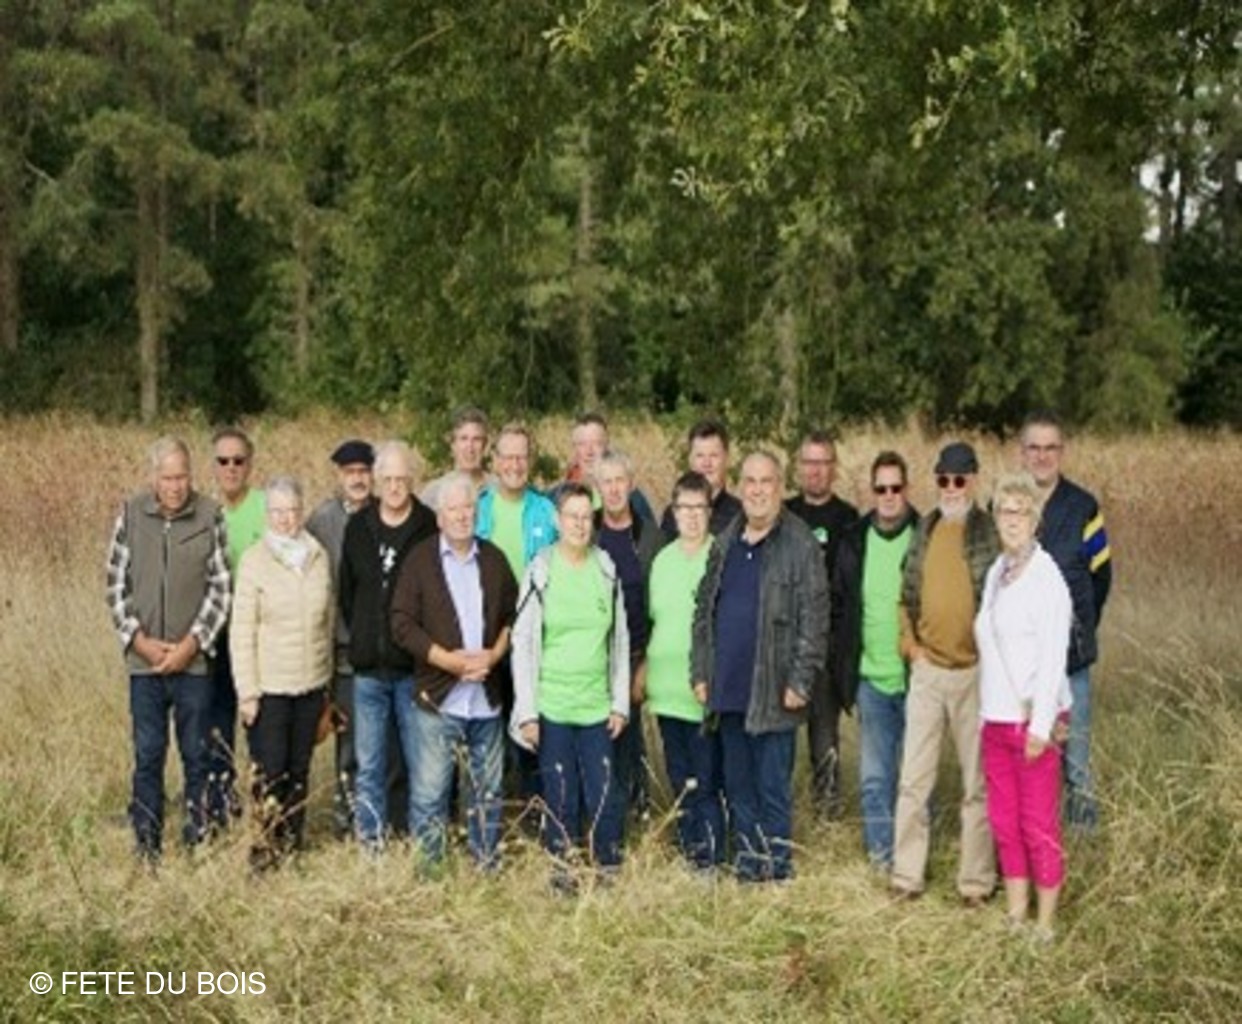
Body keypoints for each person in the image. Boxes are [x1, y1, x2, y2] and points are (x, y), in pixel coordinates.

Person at [691, 451, 828, 882]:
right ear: (740, 486)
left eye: (766, 481)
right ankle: (749, 867)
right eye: (749, 481)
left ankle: (778, 870)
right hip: (729, 687)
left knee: (772, 788)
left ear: (779, 486)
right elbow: (703, 612)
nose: (756, 490)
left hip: (774, 688)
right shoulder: (725, 541)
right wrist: (700, 671)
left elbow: (815, 617)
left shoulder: (800, 544)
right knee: (739, 786)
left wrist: (801, 679)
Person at [105, 437, 231, 861]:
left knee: (198, 755)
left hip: (193, 664)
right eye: (168, 478)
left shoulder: (210, 515)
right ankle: (147, 844)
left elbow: (220, 589)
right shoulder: (130, 515)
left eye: (183, 477)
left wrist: (191, 645)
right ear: (153, 477)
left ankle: (198, 840)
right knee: (148, 755)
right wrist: (140, 642)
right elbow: (115, 585)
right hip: (145, 666)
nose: (176, 486)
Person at [391, 473, 519, 870]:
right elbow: (401, 622)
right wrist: (449, 662)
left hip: (486, 699)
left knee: (487, 791)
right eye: (453, 509)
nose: (462, 516)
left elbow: (514, 616)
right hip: (438, 697)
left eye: (468, 508)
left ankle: (485, 864)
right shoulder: (420, 561)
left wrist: (493, 656)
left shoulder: (494, 559)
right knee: (430, 793)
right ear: (440, 517)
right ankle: (429, 871)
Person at [891, 442, 999, 904]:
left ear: (973, 480)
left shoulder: (990, 532)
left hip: (975, 673)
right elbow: (905, 594)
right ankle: (906, 877)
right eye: (943, 480)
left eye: (959, 479)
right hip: (929, 671)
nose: (951, 488)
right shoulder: (925, 528)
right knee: (914, 780)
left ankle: (976, 882)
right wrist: (910, 646)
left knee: (978, 785)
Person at [510, 483, 630, 888]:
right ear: (558, 521)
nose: (579, 525)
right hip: (553, 706)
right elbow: (523, 641)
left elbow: (620, 640)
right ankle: (563, 875)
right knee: (562, 796)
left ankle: (607, 872)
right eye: (571, 517)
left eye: (585, 517)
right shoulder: (540, 570)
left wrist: (619, 703)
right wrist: (527, 712)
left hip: (596, 707)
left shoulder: (606, 568)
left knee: (603, 796)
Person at [976, 472, 1073, 942]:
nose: (1011, 520)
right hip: (995, 719)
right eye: (1003, 511)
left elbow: (1055, 657)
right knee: (1005, 821)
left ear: (1035, 519)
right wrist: (984, 715)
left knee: (1038, 824)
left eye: (1020, 511)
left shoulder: (1046, 578)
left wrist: (1041, 726)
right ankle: (1016, 913)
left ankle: (1045, 923)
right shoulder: (997, 572)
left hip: (1032, 720)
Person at [230, 477, 334, 867]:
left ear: (301, 510)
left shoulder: (317, 556)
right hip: (270, 687)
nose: (286, 519)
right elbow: (241, 631)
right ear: (267, 514)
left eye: (292, 510)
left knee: (298, 770)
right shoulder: (254, 561)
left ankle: (291, 846)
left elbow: (326, 621)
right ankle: (263, 850)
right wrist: (248, 692)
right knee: (269, 772)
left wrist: (326, 685)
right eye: (278, 512)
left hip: (310, 684)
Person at [339, 440, 437, 850]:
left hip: (413, 669)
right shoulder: (358, 528)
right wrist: (365, 635)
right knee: (370, 767)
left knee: (421, 765)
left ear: (412, 481)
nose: (395, 487)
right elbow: (348, 593)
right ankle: (371, 847)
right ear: (376, 481)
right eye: (388, 480)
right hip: (368, 670)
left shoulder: (428, 526)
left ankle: (422, 845)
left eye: (401, 479)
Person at [1019, 411, 1112, 831]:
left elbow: (1101, 577)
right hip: (1022, 667)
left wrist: (1080, 627)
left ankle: (1085, 844)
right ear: (1022, 452)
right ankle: (1038, 842)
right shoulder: (1006, 503)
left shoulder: (1083, 507)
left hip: (1071, 662)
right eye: (1034, 448)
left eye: (1050, 447)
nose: (1042, 456)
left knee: (1076, 763)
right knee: (1029, 761)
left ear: (1062, 451)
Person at [832, 451, 919, 869]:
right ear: (871, 491)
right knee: (874, 777)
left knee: (914, 778)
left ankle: (912, 857)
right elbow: (839, 606)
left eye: (895, 487)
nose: (888, 495)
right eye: (880, 488)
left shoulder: (925, 535)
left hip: (918, 679)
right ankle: (882, 858)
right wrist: (842, 670)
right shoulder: (854, 540)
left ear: (907, 489)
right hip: (870, 678)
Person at [474, 422, 559, 808]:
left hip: (534, 636)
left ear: (531, 460)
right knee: (489, 727)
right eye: (507, 457)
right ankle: (489, 812)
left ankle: (535, 811)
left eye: (521, 457)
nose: (514, 465)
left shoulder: (546, 511)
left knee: (531, 727)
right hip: (485, 635)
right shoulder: (478, 509)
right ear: (494, 461)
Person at [306, 439, 386, 838]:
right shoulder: (322, 521)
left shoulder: (386, 512)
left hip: (384, 646)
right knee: (350, 739)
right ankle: (347, 819)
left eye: (363, 471)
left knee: (384, 742)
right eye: (350, 472)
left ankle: (382, 818)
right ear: (339, 475)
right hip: (342, 649)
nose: (357, 479)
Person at [645, 471, 725, 871]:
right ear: (673, 512)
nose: (692, 516)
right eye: (684, 508)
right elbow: (654, 619)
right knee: (680, 780)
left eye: (699, 508)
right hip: (665, 693)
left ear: (710, 512)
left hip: (702, 694)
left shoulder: (721, 557)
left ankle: (709, 858)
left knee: (706, 780)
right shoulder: (662, 561)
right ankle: (688, 851)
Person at [785, 429, 860, 819]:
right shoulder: (783, 514)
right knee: (778, 741)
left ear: (834, 468)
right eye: (809, 462)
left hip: (826, 650)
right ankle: (778, 816)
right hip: (784, 645)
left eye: (823, 462)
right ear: (799, 467)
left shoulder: (848, 520)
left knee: (824, 740)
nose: (815, 470)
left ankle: (827, 818)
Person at [593, 449, 662, 820]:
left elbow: (661, 606)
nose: (614, 489)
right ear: (597, 487)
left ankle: (637, 811)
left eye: (620, 480)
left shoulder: (650, 537)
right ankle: (603, 812)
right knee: (598, 737)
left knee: (630, 738)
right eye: (607, 482)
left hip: (635, 654)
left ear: (631, 484)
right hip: (594, 657)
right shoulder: (586, 531)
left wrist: (647, 664)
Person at [206, 426, 267, 828]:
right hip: (217, 637)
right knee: (216, 728)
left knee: (260, 729)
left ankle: (266, 811)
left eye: (238, 460)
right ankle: (221, 811)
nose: (231, 468)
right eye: (223, 461)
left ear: (250, 465)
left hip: (259, 640)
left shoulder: (267, 508)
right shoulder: (206, 515)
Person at [550, 410, 656, 521]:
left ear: (607, 447)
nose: (589, 452)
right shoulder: (556, 497)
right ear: (574, 449)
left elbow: (649, 531)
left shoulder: (630, 497)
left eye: (597, 443)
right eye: (582, 444)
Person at [660, 418, 743, 540]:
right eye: (700, 456)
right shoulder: (673, 515)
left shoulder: (741, 515)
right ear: (690, 460)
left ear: (726, 459)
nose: (706, 463)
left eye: (713, 455)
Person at [420, 406, 496, 511]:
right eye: (463, 439)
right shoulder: (433, 494)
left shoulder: (499, 490)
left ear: (485, 445)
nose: (470, 447)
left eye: (476, 439)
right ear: (453, 445)